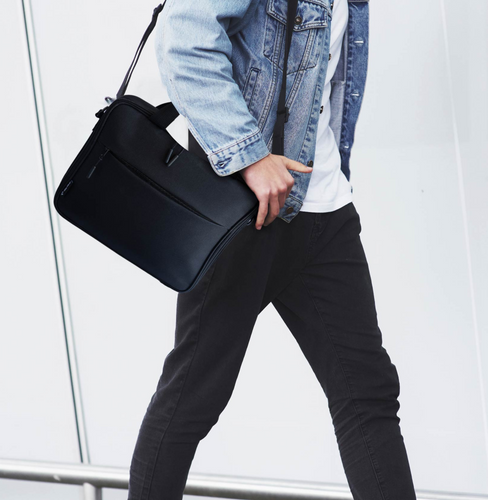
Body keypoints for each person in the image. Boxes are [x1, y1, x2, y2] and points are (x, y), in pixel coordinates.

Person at [127, 0, 418, 499]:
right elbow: (184, 42)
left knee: (368, 394)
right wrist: (249, 155)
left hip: (323, 207)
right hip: (246, 212)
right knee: (193, 397)